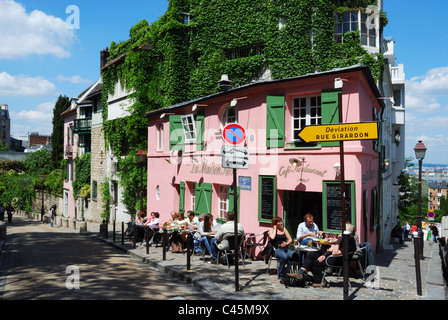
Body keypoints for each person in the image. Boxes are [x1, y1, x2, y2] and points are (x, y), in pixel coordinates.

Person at [288, 223, 357, 287]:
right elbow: (332, 249)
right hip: (333, 257)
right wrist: (324, 255)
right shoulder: (345, 239)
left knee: (315, 262)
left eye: (343, 230)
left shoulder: (350, 243)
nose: (341, 232)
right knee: (313, 253)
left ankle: (321, 281)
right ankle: (301, 272)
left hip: (339, 260)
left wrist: (338, 241)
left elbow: (335, 252)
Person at [268, 216, 294, 282]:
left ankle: (292, 272)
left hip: (285, 247)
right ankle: (281, 273)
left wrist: (286, 243)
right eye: (279, 222)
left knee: (294, 255)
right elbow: (272, 237)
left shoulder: (284, 229)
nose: (281, 223)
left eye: (281, 221)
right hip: (277, 249)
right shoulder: (271, 231)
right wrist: (274, 229)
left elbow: (290, 239)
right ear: (275, 223)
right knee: (285, 257)